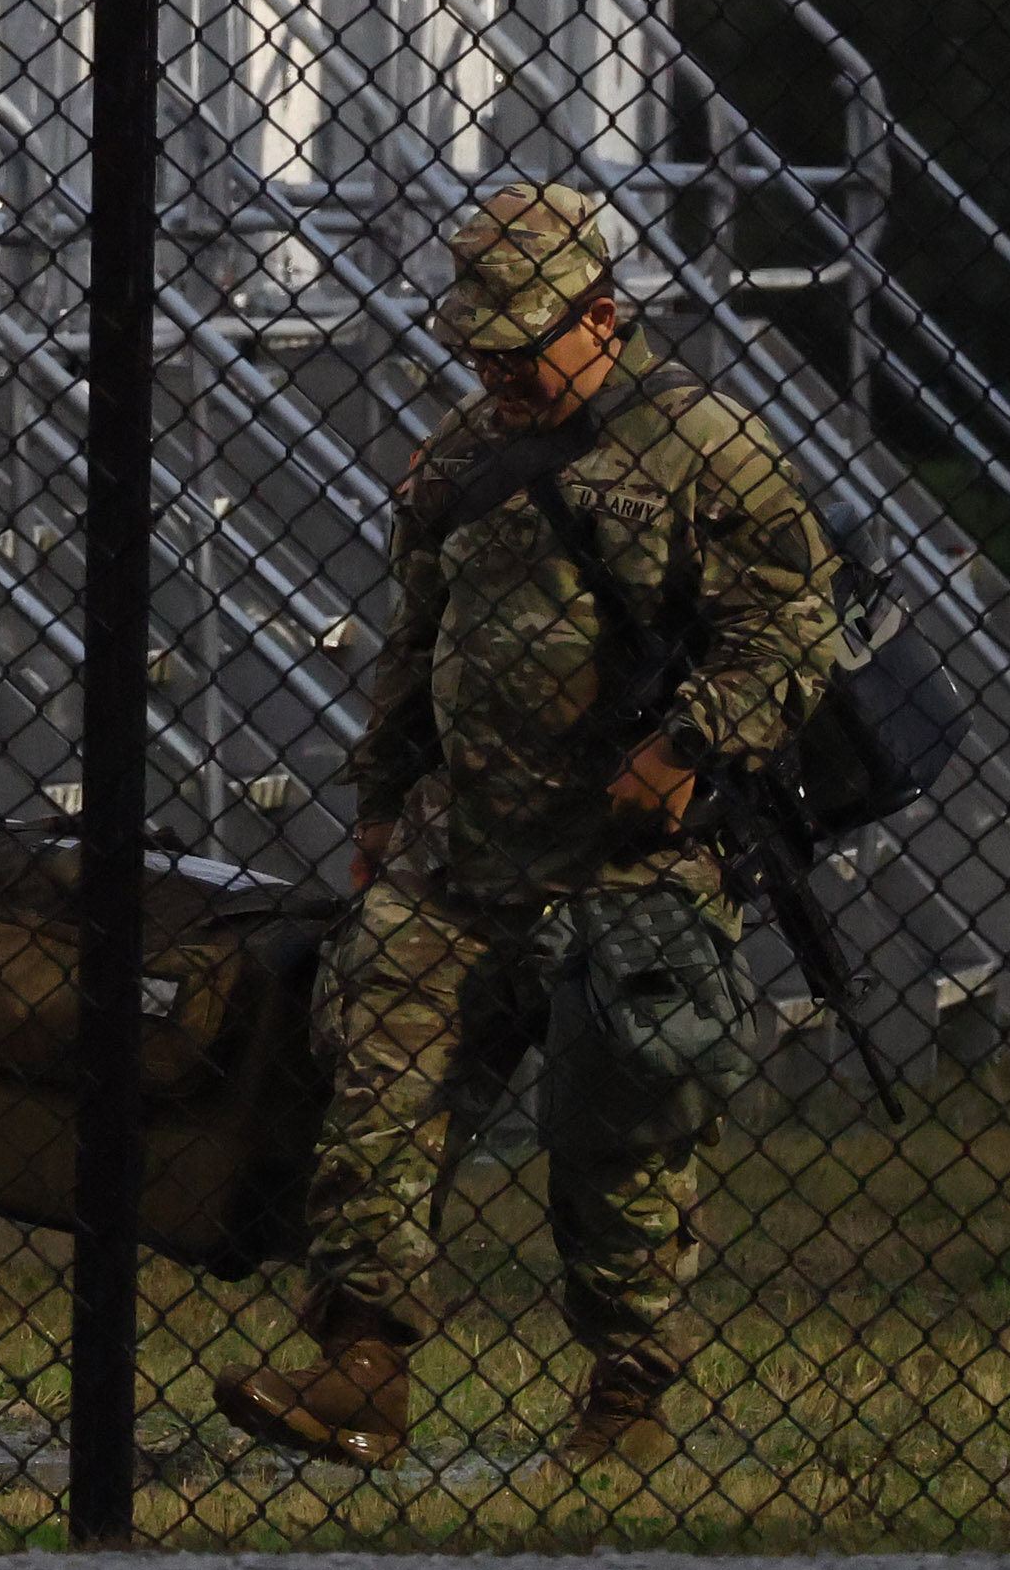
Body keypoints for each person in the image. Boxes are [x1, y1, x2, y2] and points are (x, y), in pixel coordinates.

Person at [218, 182, 841, 1475]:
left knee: (620, 1137)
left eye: (521, 341)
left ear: (601, 316)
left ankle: (626, 1401)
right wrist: (381, 807)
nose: (496, 365)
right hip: (461, 854)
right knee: (380, 1079)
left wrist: (692, 743)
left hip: (630, 864)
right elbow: (415, 641)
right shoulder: (458, 456)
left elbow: (794, 626)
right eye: (478, 343)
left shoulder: (705, 450)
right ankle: (363, 1366)